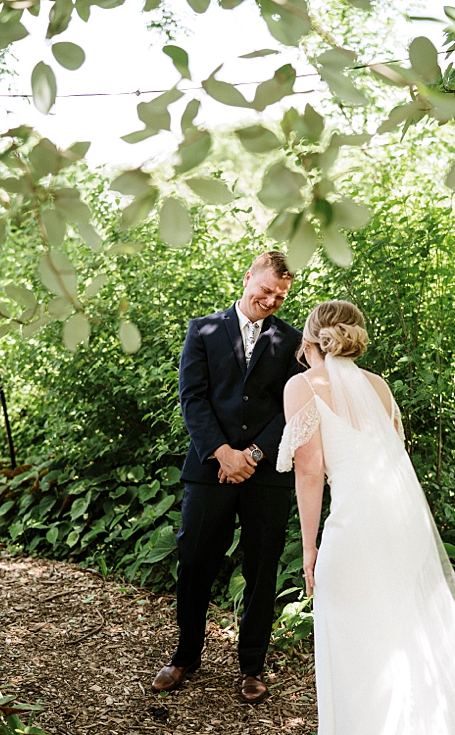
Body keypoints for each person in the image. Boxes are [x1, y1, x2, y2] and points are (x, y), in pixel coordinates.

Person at [277, 301, 455, 733]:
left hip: (353, 528)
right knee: (402, 630)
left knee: (354, 637)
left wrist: (309, 547)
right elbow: (394, 457)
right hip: (400, 521)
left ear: (309, 339)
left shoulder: (303, 385)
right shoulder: (379, 386)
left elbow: (309, 469)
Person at [152, 250, 304, 704]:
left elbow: (292, 406)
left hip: (266, 472)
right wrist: (223, 452)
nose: (272, 299)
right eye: (266, 289)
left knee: (262, 567)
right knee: (195, 560)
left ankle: (253, 666)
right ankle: (185, 656)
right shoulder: (203, 330)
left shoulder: (293, 341)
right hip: (209, 469)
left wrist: (252, 454)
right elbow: (192, 398)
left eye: (281, 295)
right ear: (248, 278)